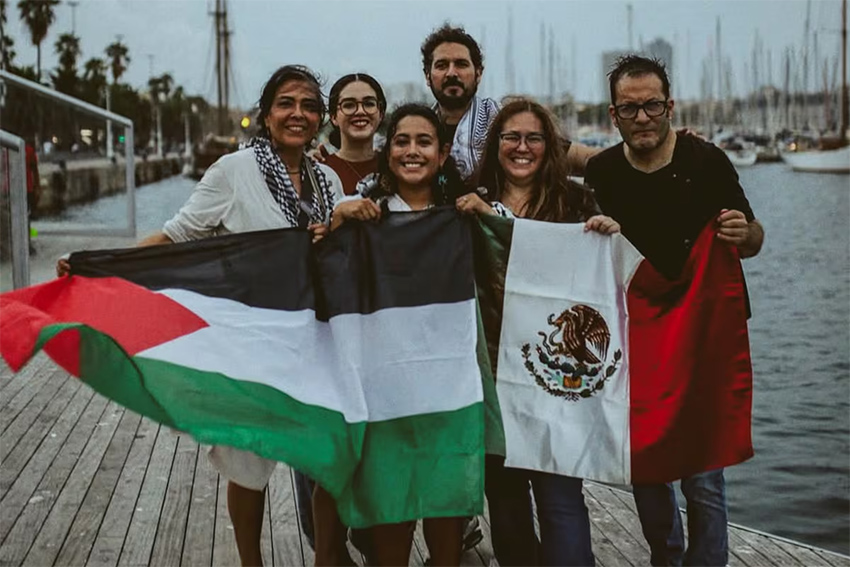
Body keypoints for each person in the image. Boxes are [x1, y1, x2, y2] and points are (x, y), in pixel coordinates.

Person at [58, 64, 344, 567]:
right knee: (248, 463)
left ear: (320, 118)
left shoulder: (329, 181)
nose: (298, 114)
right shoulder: (235, 171)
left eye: (309, 106)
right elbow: (177, 236)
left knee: (327, 459)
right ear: (267, 113)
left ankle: (327, 559)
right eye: (287, 103)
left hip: (317, 341)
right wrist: (102, 268)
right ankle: (251, 561)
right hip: (253, 342)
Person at [583, 55, 764, 567]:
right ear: (613, 115)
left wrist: (742, 233)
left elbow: (754, 238)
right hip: (637, 339)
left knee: (704, 470)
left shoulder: (707, 161)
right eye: (630, 108)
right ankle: (666, 556)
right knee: (646, 460)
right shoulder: (601, 172)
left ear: (670, 106)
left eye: (652, 106)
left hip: (705, 335)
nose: (643, 117)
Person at [456, 99, 619, 567]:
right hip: (491, 373)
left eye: (533, 137)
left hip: (555, 374)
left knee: (560, 495)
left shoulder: (575, 201)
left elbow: (597, 282)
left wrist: (604, 233)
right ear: (496, 145)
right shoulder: (471, 202)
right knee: (506, 501)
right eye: (511, 137)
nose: (522, 147)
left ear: (549, 146)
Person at [331, 103, 470, 567]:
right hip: (384, 399)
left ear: (444, 152)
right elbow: (319, 269)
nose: (412, 151)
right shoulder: (362, 219)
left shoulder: (465, 217)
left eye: (424, 141)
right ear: (386, 152)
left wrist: (597, 228)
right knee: (390, 533)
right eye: (402, 141)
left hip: (450, 400)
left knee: (446, 533)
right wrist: (335, 223)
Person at [420, 23, 599, 181]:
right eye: (442, 65)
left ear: (479, 73)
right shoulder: (418, 130)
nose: (452, 73)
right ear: (428, 76)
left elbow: (586, 160)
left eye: (461, 64)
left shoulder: (504, 121)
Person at [322, 73, 387, 195]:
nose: (360, 111)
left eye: (369, 104)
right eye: (349, 105)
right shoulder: (319, 172)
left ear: (381, 114)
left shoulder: (394, 167)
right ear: (333, 116)